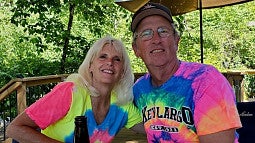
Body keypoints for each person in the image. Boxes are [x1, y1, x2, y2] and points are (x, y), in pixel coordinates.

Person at [131, 2, 242, 143]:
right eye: (146, 33)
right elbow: (120, 115)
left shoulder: (205, 81)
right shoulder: (140, 89)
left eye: (163, 31)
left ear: (177, 40)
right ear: (136, 49)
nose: (156, 39)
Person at [6, 35, 144, 143]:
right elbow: (14, 129)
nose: (109, 62)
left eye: (117, 59)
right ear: (90, 66)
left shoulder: (122, 104)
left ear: (123, 72)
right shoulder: (70, 92)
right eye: (103, 57)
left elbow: (151, 127)